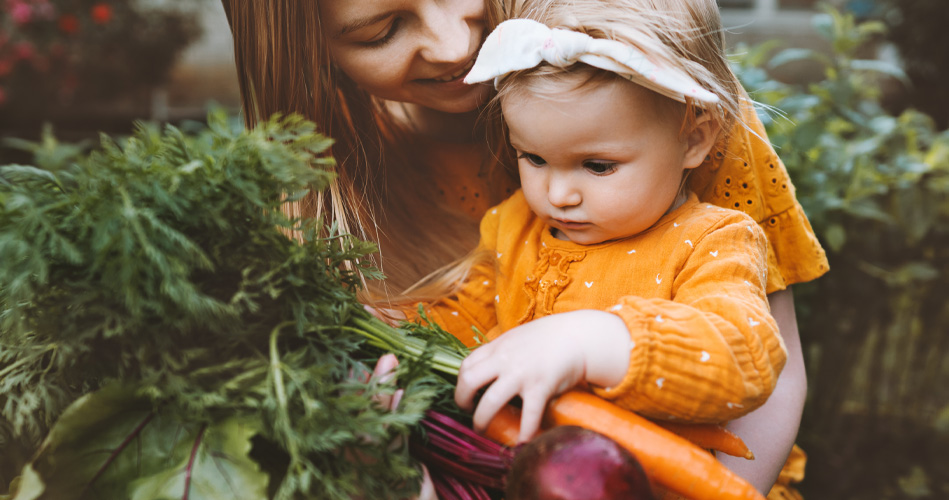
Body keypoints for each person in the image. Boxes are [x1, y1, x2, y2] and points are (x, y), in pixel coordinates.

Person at [219, 0, 827, 495]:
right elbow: (464, 331)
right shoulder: (511, 227)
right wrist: (388, 375)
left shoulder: (663, 101)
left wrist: (595, 339)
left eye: (597, 164)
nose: (455, 45)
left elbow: (756, 353)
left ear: (695, 137)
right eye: (382, 31)